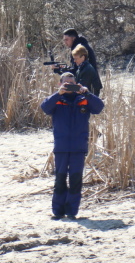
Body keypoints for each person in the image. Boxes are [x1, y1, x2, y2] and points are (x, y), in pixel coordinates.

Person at [40, 72, 104, 220]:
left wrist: (88, 93)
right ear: (60, 84)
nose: (69, 86)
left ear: (77, 84)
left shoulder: (83, 99)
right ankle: (58, 211)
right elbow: (45, 108)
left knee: (76, 180)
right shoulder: (57, 100)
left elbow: (99, 107)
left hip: (78, 147)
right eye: (66, 83)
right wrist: (58, 93)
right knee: (60, 179)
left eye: (72, 83)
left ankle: (71, 211)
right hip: (61, 147)